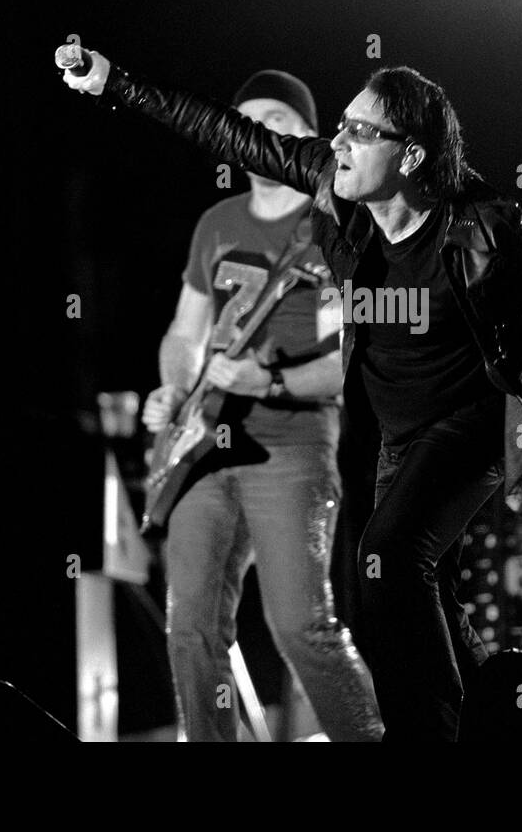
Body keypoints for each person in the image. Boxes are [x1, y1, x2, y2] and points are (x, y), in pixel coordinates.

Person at [63, 49, 522, 741]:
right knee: (426, 590)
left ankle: (427, 741)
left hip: (474, 422)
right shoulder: (332, 187)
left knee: (388, 559)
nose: (339, 142)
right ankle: (505, 722)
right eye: (339, 127)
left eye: (359, 131)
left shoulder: (482, 227)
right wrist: (115, 83)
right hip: (398, 436)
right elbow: (224, 132)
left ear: (410, 157)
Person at [140, 69, 382, 742]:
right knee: (190, 622)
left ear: (309, 133)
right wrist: (173, 389)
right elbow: (185, 332)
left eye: (275, 120)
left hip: (293, 444)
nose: (256, 133)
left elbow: (351, 361)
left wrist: (268, 382)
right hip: (202, 444)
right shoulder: (215, 222)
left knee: (300, 624)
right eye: (244, 120)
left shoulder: (335, 222)